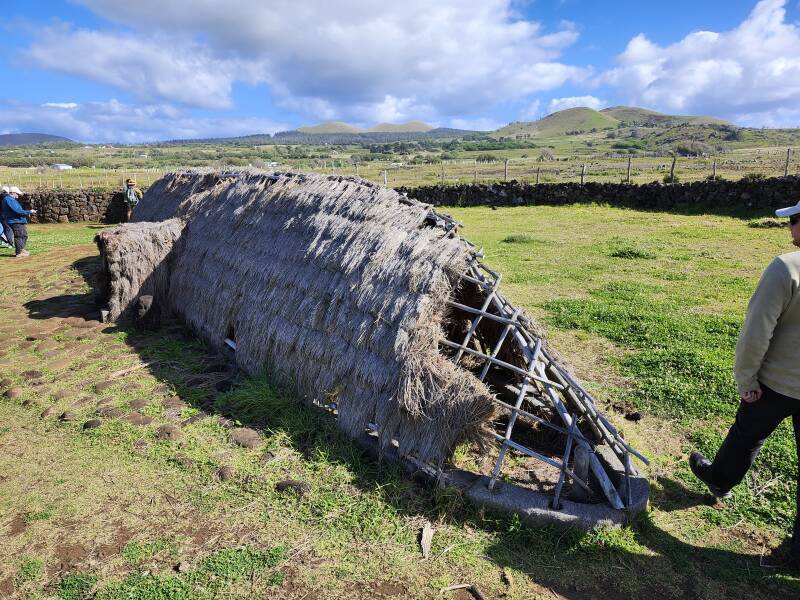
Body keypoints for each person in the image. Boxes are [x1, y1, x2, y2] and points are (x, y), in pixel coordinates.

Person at [690, 198, 800, 570]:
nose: (791, 227)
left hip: (779, 382)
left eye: (795, 220)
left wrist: (747, 378)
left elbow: (757, 330)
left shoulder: (786, 268)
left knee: (747, 434)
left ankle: (719, 479)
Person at [1, 186, 36, 258]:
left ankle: (21, 249)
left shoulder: (10, 199)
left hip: (17, 220)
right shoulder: (9, 199)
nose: (18, 196)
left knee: (24, 235)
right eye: (17, 194)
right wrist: (29, 211)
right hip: (15, 221)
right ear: (13, 193)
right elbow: (17, 210)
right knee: (19, 236)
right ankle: (19, 252)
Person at [0, 185, 13, 250]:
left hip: (1, 215)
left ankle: (4, 241)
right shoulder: (8, 198)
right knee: (8, 229)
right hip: (6, 215)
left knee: (3, 229)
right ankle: (10, 243)